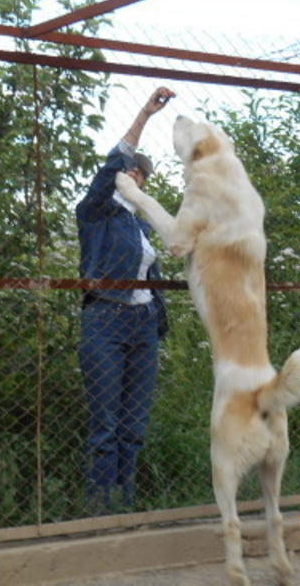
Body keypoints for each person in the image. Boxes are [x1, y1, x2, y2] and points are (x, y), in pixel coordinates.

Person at [76, 87, 174, 513]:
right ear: (121, 176)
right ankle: (102, 508)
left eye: (142, 175)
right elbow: (113, 163)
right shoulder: (95, 212)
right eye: (132, 172)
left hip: (143, 324)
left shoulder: (143, 226)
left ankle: (126, 504)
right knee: (107, 426)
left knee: (134, 425)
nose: (137, 178)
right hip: (105, 320)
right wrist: (144, 115)